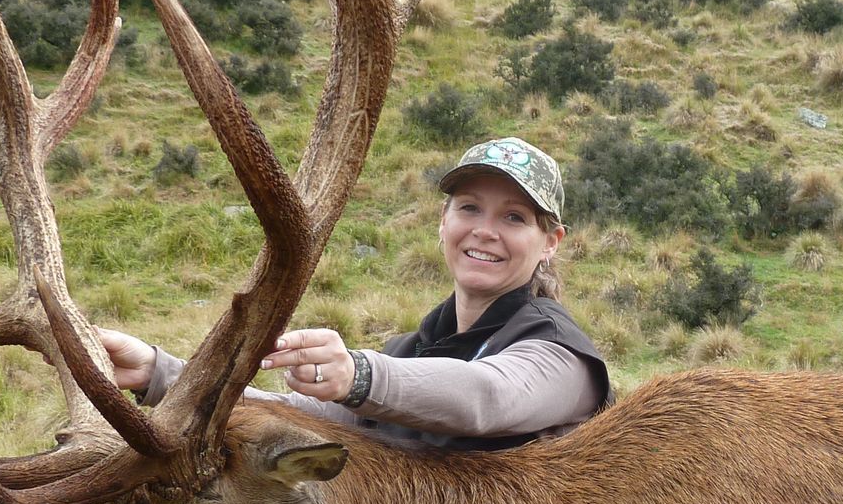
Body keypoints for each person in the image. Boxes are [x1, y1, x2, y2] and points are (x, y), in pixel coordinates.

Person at [100, 137, 610, 450]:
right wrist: (160, 374)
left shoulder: (560, 352)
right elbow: (311, 419)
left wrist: (359, 374)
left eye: (514, 218)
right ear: (444, 221)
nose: (484, 230)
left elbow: (489, 397)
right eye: (469, 208)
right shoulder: (418, 348)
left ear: (550, 243)